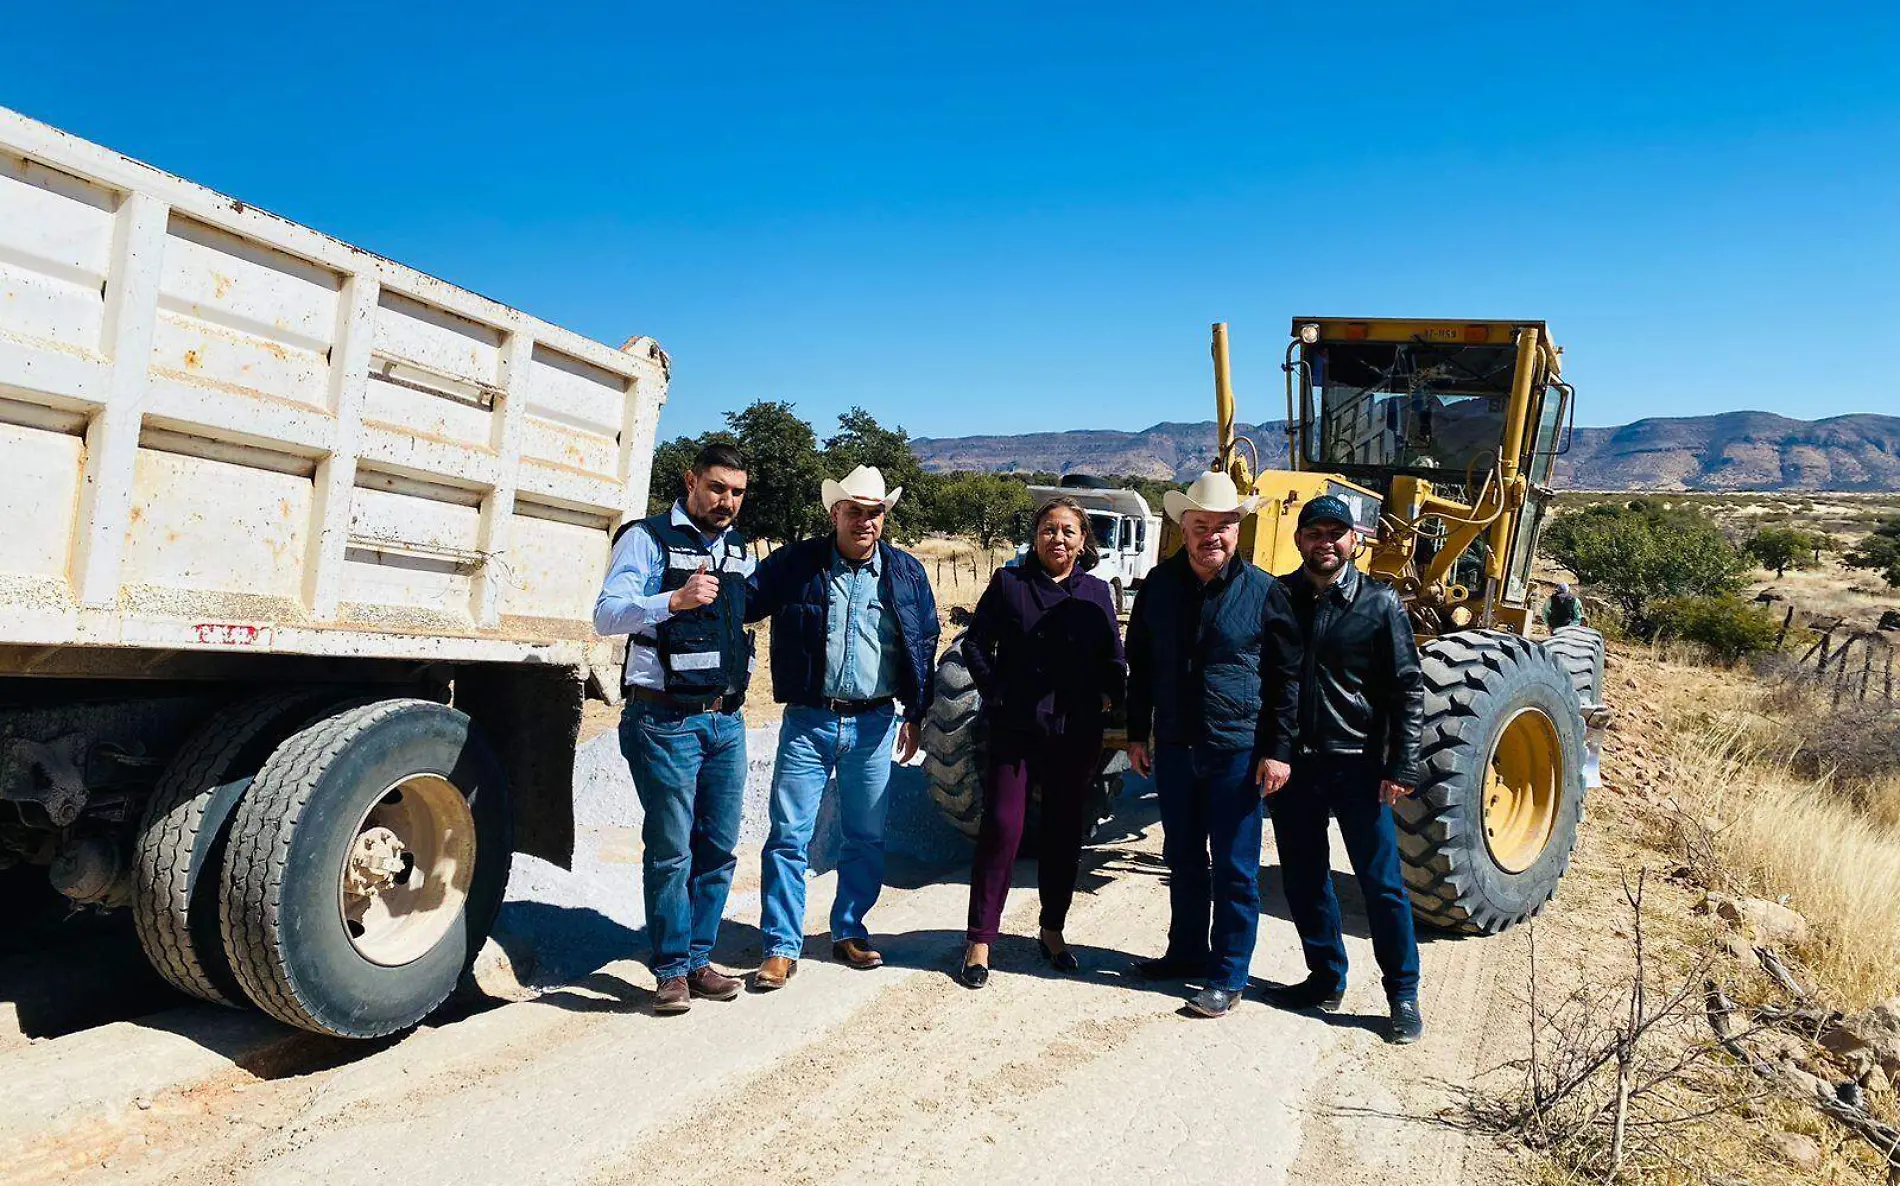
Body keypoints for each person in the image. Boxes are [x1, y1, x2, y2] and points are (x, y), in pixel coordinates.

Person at [746, 465, 941, 990]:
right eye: (854, 511)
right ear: (835, 513)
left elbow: (924, 642)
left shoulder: (906, 573)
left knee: (865, 835)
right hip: (809, 721)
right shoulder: (797, 563)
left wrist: (917, 714)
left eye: (874, 513)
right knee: (789, 837)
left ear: (884, 518)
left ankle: (849, 931)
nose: (865, 522)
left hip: (876, 723)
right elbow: (743, 603)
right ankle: (781, 948)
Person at [1124, 470, 1301, 1019]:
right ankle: (1185, 954)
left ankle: (1228, 974)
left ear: (1237, 530)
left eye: (1223, 527)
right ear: (1184, 527)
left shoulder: (1266, 591)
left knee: (1234, 867)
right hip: (1176, 746)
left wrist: (1278, 750)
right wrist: (1136, 732)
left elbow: (1286, 679)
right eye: (1201, 526)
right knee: (1181, 858)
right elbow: (1142, 666)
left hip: (1238, 751)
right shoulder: (1158, 586)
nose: (1212, 537)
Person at [593, 442, 754, 1014]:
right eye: (717, 488)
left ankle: (698, 959)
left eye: (736, 492)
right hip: (663, 720)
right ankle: (669, 971)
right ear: (691, 481)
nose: (726, 501)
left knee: (718, 847)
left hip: (725, 721)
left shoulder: (739, 548)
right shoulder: (648, 538)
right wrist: (673, 600)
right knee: (670, 850)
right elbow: (606, 615)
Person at [1264, 495, 1427, 1044]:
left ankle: (1402, 994)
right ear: (1299, 539)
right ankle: (1325, 977)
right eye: (1315, 532)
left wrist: (1401, 763)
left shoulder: (1381, 604)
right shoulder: (1281, 596)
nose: (1325, 542)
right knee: (1305, 878)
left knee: (1381, 884)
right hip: (1297, 768)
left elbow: (1407, 688)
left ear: (1354, 541)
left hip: (1360, 768)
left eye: (1336, 532)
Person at [958, 498, 1127, 989]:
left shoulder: (1097, 593)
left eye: (1068, 531)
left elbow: (1113, 658)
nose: (1058, 538)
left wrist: (1107, 699)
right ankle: (980, 938)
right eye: (1049, 529)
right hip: (1016, 729)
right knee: (1003, 829)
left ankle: (1052, 930)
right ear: (1036, 537)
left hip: (1075, 733)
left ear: (1083, 541)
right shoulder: (1010, 585)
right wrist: (996, 692)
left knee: (1063, 832)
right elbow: (974, 644)